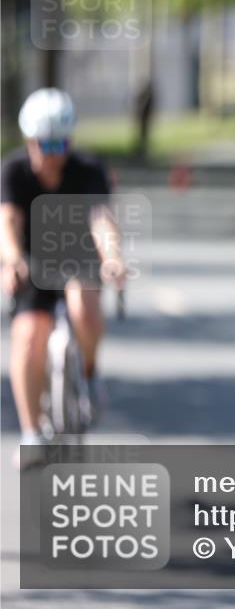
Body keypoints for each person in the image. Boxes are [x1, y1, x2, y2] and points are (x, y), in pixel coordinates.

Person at [1, 88, 124, 469]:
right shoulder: (13, 170)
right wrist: (13, 259)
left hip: (77, 256)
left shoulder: (87, 169)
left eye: (61, 143)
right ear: (29, 140)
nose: (53, 153)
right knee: (27, 337)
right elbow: (8, 221)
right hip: (33, 262)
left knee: (83, 306)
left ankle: (88, 371)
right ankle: (31, 432)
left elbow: (100, 219)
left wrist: (113, 256)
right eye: (44, 143)